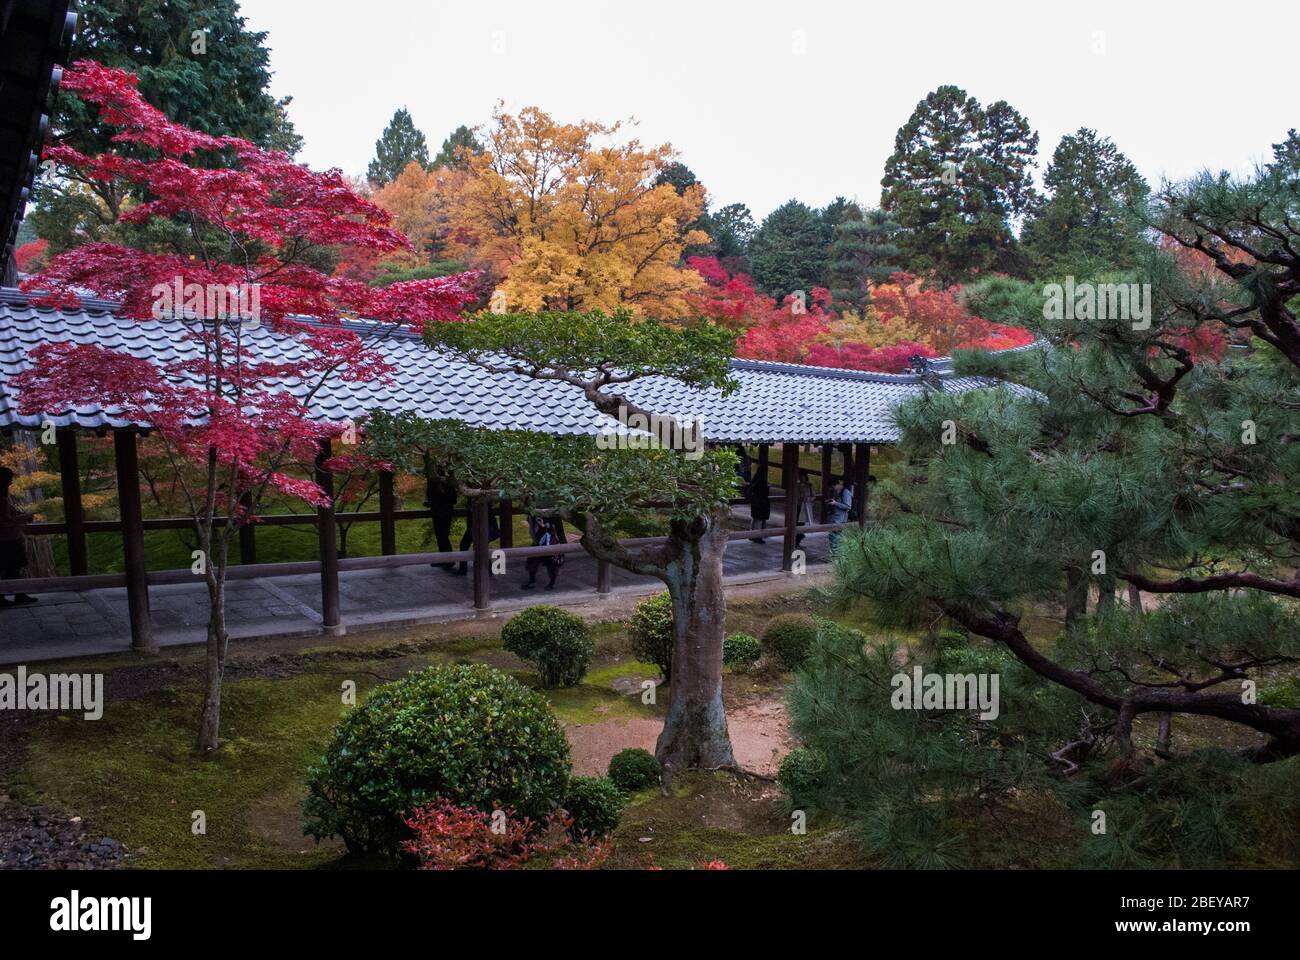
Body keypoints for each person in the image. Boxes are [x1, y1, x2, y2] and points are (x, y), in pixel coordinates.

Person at [0, 467, 37, 607]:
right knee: (12, 567)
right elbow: (5, 521)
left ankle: (14, 594)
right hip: (8, 539)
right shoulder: (2, 499)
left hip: (6, 538)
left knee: (9, 568)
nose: (11, 482)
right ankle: (17, 594)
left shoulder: (5, 497)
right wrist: (25, 518)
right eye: (9, 479)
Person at [454, 498, 501, 576]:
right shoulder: (475, 498)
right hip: (474, 527)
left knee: (481, 547)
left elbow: (485, 516)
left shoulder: (481, 500)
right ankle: (465, 570)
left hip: (483, 528)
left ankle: (486, 570)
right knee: (466, 545)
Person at [425, 467, 459, 571]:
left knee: (443, 536)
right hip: (437, 512)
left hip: (445, 513)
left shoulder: (447, 484)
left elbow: (453, 499)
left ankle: (448, 560)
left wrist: (442, 495)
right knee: (440, 536)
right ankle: (444, 559)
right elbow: (430, 496)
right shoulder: (432, 483)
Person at [522, 514, 564, 590]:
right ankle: (532, 581)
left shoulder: (551, 515)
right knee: (532, 560)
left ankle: (552, 582)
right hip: (538, 540)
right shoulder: (532, 514)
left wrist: (544, 525)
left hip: (549, 539)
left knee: (551, 562)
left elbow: (556, 529)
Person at [827, 477, 853, 549]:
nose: (833, 489)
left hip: (840, 519)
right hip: (835, 518)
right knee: (833, 538)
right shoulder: (838, 492)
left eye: (833, 487)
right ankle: (834, 556)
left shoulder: (845, 492)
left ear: (836, 485)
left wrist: (835, 503)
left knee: (835, 538)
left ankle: (836, 557)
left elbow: (848, 506)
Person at [748, 475, 771, 543]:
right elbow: (766, 492)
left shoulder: (755, 481)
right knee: (759, 520)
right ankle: (757, 536)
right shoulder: (762, 483)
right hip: (761, 503)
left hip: (755, 502)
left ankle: (752, 535)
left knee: (755, 519)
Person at [795, 469, 813, 546]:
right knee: (796, 523)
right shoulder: (796, 485)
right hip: (797, 505)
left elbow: (813, 496)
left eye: (802, 476)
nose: (801, 477)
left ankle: (798, 539)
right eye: (800, 476)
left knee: (801, 523)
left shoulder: (809, 485)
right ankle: (796, 539)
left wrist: (808, 499)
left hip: (805, 506)